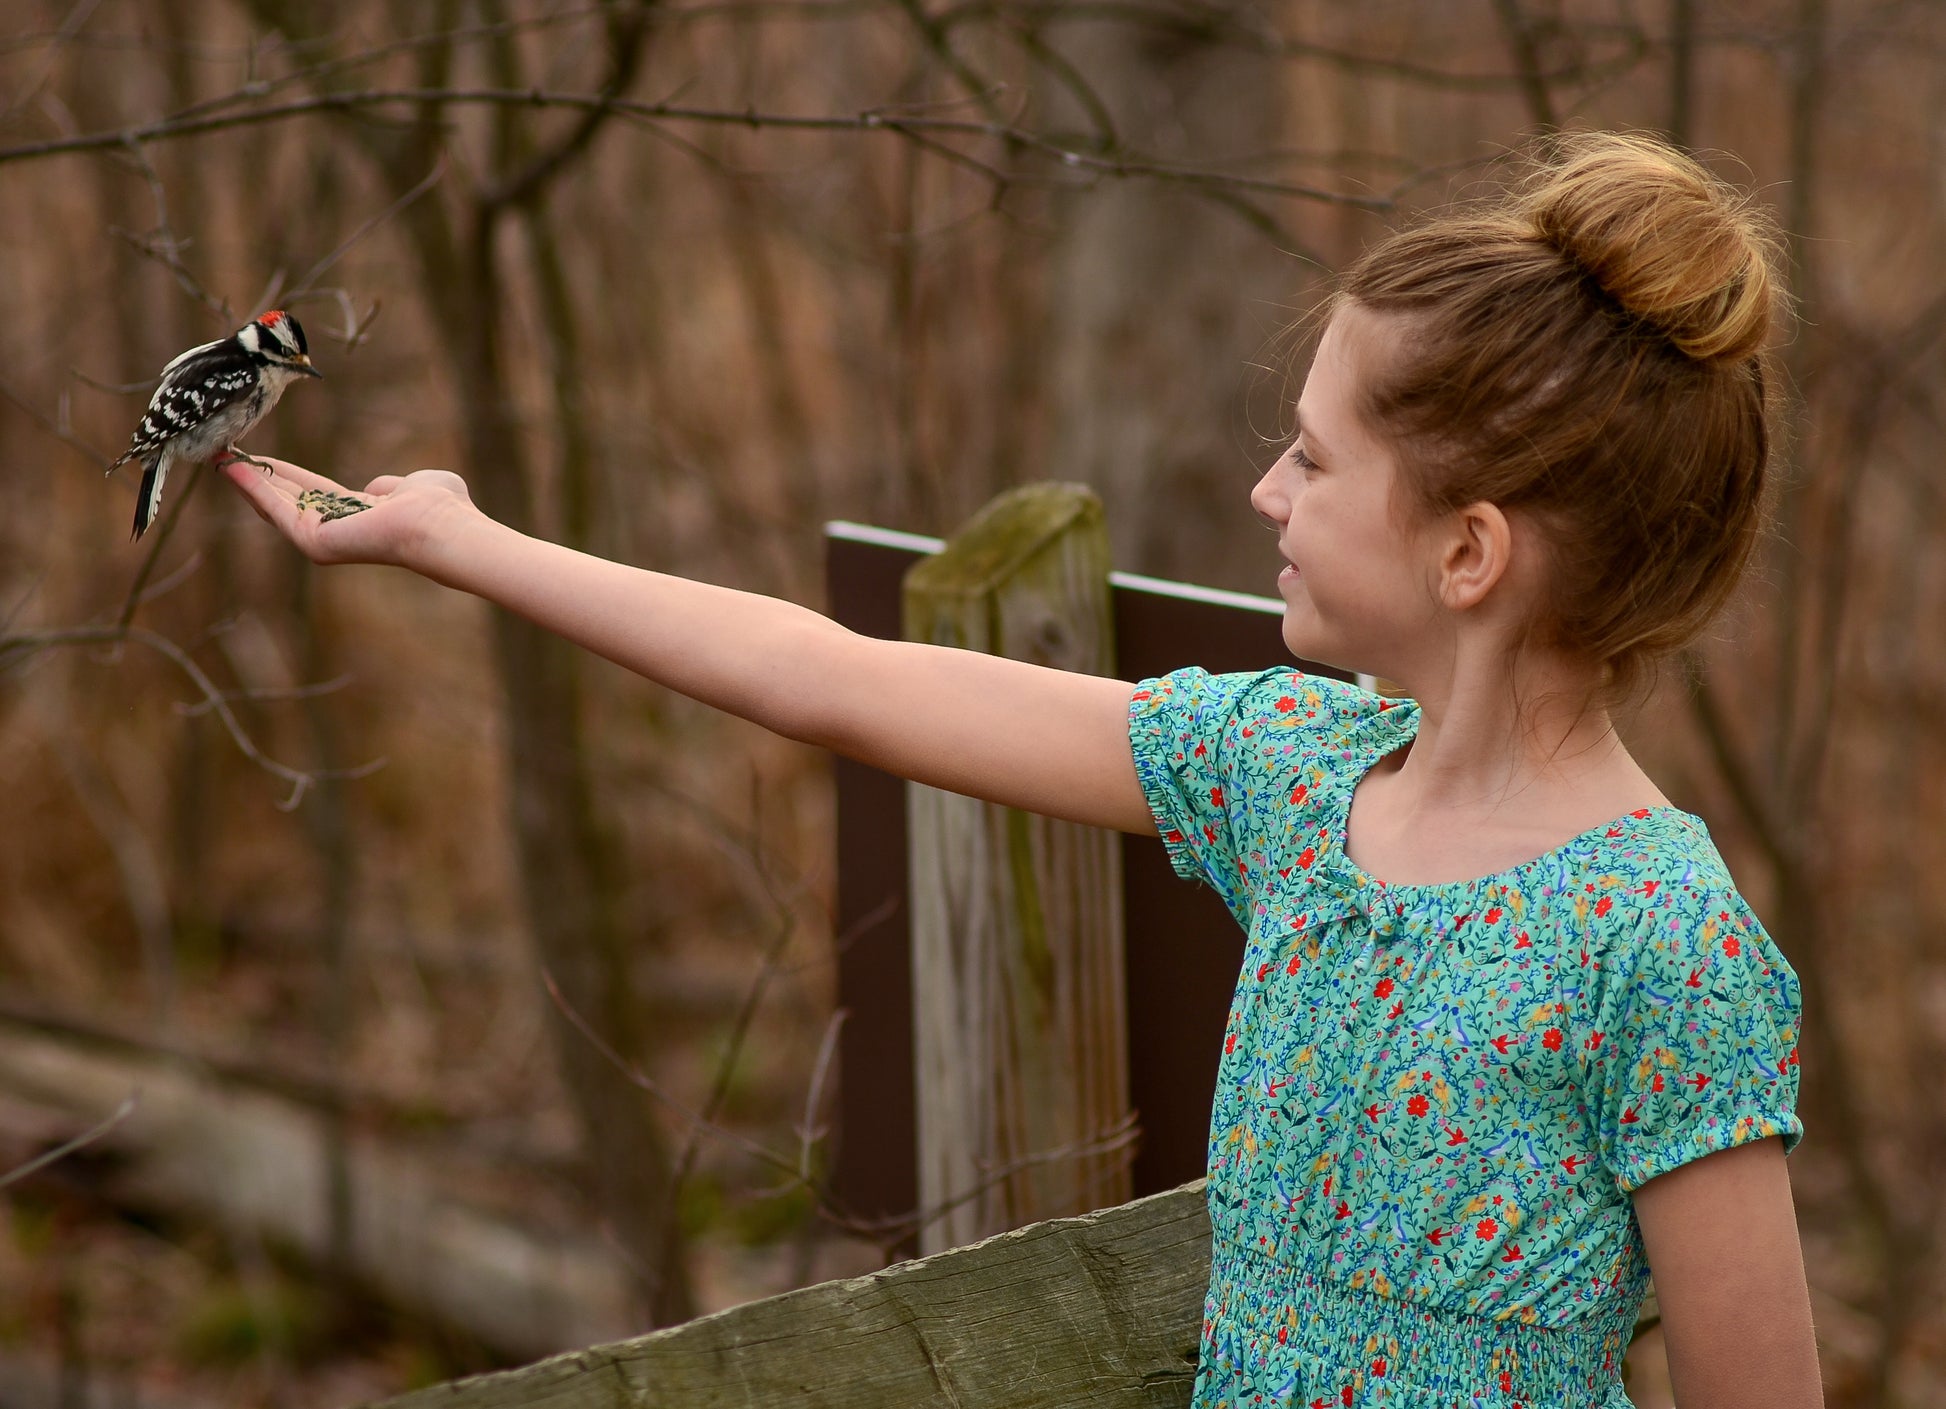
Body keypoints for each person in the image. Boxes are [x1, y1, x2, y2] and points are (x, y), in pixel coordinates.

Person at [221, 130, 1820, 1408]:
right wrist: (462, 540)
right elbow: (834, 680)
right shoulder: (1289, 775)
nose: (1267, 489)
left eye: (1315, 458)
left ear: (1468, 550)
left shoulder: (1657, 944)